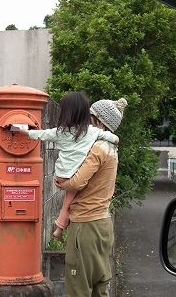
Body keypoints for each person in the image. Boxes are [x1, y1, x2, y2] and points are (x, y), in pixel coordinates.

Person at [19, 91, 119, 243]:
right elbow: (112, 138)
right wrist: (115, 139)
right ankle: (59, 227)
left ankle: (59, 227)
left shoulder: (60, 132)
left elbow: (42, 134)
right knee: (68, 202)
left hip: (61, 174)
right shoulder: (91, 133)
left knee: (68, 201)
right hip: (73, 176)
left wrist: (25, 131)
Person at [55, 97, 127, 297]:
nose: (85, 122)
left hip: (86, 225)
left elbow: (77, 182)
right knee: (100, 285)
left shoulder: (97, 148)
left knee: (78, 287)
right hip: (103, 224)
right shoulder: (112, 148)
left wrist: (61, 182)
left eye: (89, 117)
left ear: (100, 122)